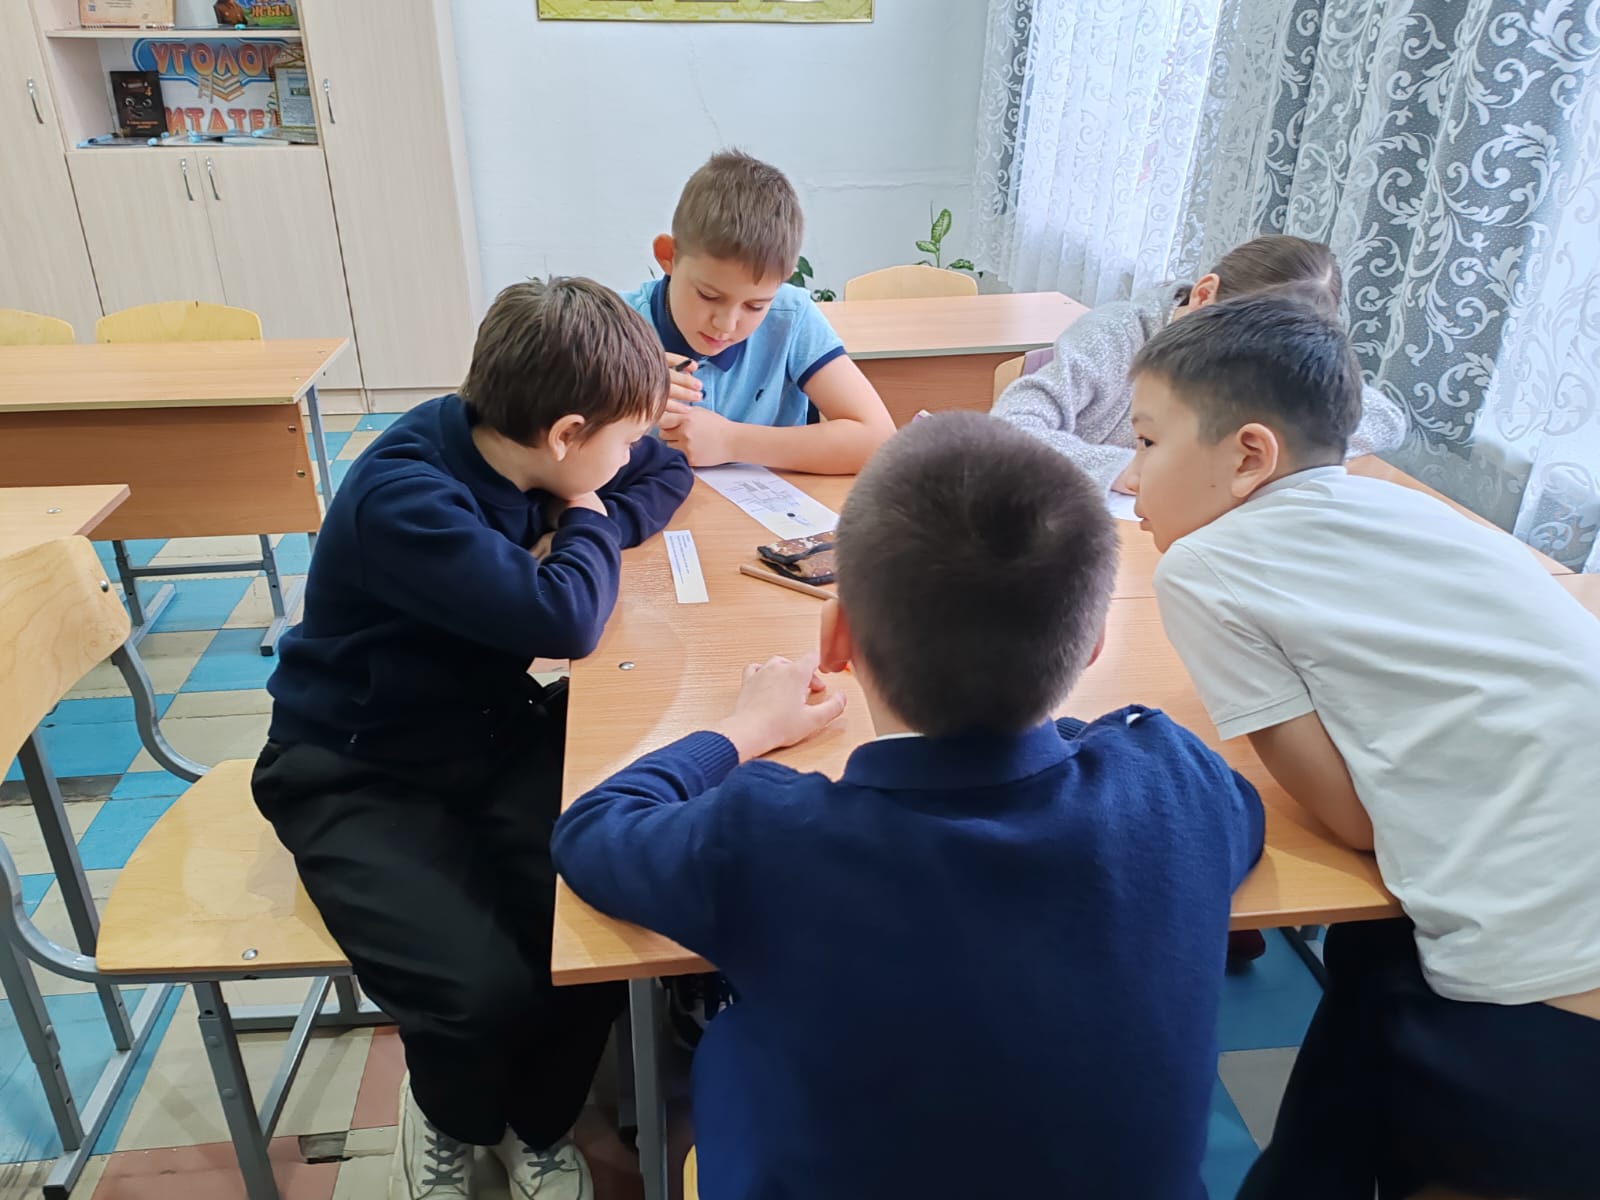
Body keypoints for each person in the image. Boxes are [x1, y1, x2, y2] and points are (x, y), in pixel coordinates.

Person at [553, 412, 1265, 1199]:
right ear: (1094, 641)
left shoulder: (772, 839)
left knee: (731, 1041)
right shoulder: (1172, 782)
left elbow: (592, 828)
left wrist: (743, 730)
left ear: (836, 638)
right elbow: (1240, 815)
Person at [1123, 291, 1600, 1200]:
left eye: (1146, 442)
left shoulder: (1202, 565)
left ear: (1248, 456)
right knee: (1369, 957)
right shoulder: (1406, 509)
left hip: (1548, 1013)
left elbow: (1351, 823)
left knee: (1370, 968)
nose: (1128, 474)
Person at [251, 278, 694, 1200]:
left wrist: (583, 517)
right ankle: (450, 1115)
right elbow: (564, 619)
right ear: (565, 435)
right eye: (618, 440)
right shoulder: (407, 496)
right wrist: (586, 522)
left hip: (488, 733)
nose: (631, 455)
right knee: (474, 989)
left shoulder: (529, 447)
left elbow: (665, 475)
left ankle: (535, 1123)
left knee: (595, 928)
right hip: (353, 765)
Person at [992, 235, 1408, 493]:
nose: (1242, 370)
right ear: (1204, 295)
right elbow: (1007, 428)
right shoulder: (1115, 335)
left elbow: (1383, 419)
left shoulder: (1279, 358)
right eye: (1236, 344)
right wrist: (1128, 468)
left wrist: (1265, 460)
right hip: (1087, 522)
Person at [623, 149, 895, 475]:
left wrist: (732, 441)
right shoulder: (615, 325)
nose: (726, 324)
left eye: (755, 306)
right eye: (708, 295)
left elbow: (878, 440)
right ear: (668, 256)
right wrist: (621, 399)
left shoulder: (791, 316)